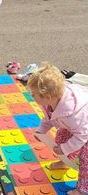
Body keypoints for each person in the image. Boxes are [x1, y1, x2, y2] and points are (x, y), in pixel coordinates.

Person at [27, 63, 88, 195]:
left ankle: (83, 189)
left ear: (47, 97)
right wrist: (41, 130)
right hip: (76, 126)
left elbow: (82, 136)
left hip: (84, 129)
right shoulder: (51, 101)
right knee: (61, 137)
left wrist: (65, 148)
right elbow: (48, 117)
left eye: (34, 94)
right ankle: (65, 161)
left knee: (86, 160)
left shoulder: (73, 114)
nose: (32, 96)